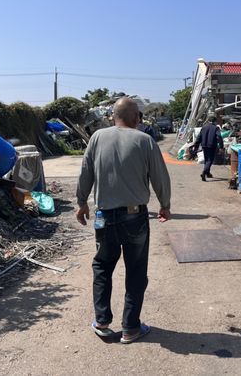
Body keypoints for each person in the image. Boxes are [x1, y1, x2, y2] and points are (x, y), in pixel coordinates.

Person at [76, 97, 171, 344]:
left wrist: (81, 202)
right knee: (136, 271)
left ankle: (103, 322)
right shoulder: (145, 140)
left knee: (102, 267)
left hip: (104, 216)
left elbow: (86, 171)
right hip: (134, 217)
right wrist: (165, 205)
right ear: (137, 117)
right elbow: (160, 176)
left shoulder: (97, 137)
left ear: (113, 117)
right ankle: (130, 328)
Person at [194, 115, 224, 181]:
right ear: (215, 121)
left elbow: (199, 137)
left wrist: (196, 146)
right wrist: (221, 147)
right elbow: (219, 137)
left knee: (206, 159)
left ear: (208, 120)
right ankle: (204, 172)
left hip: (204, 145)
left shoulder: (204, 127)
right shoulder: (216, 128)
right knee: (210, 160)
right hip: (212, 146)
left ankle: (208, 173)